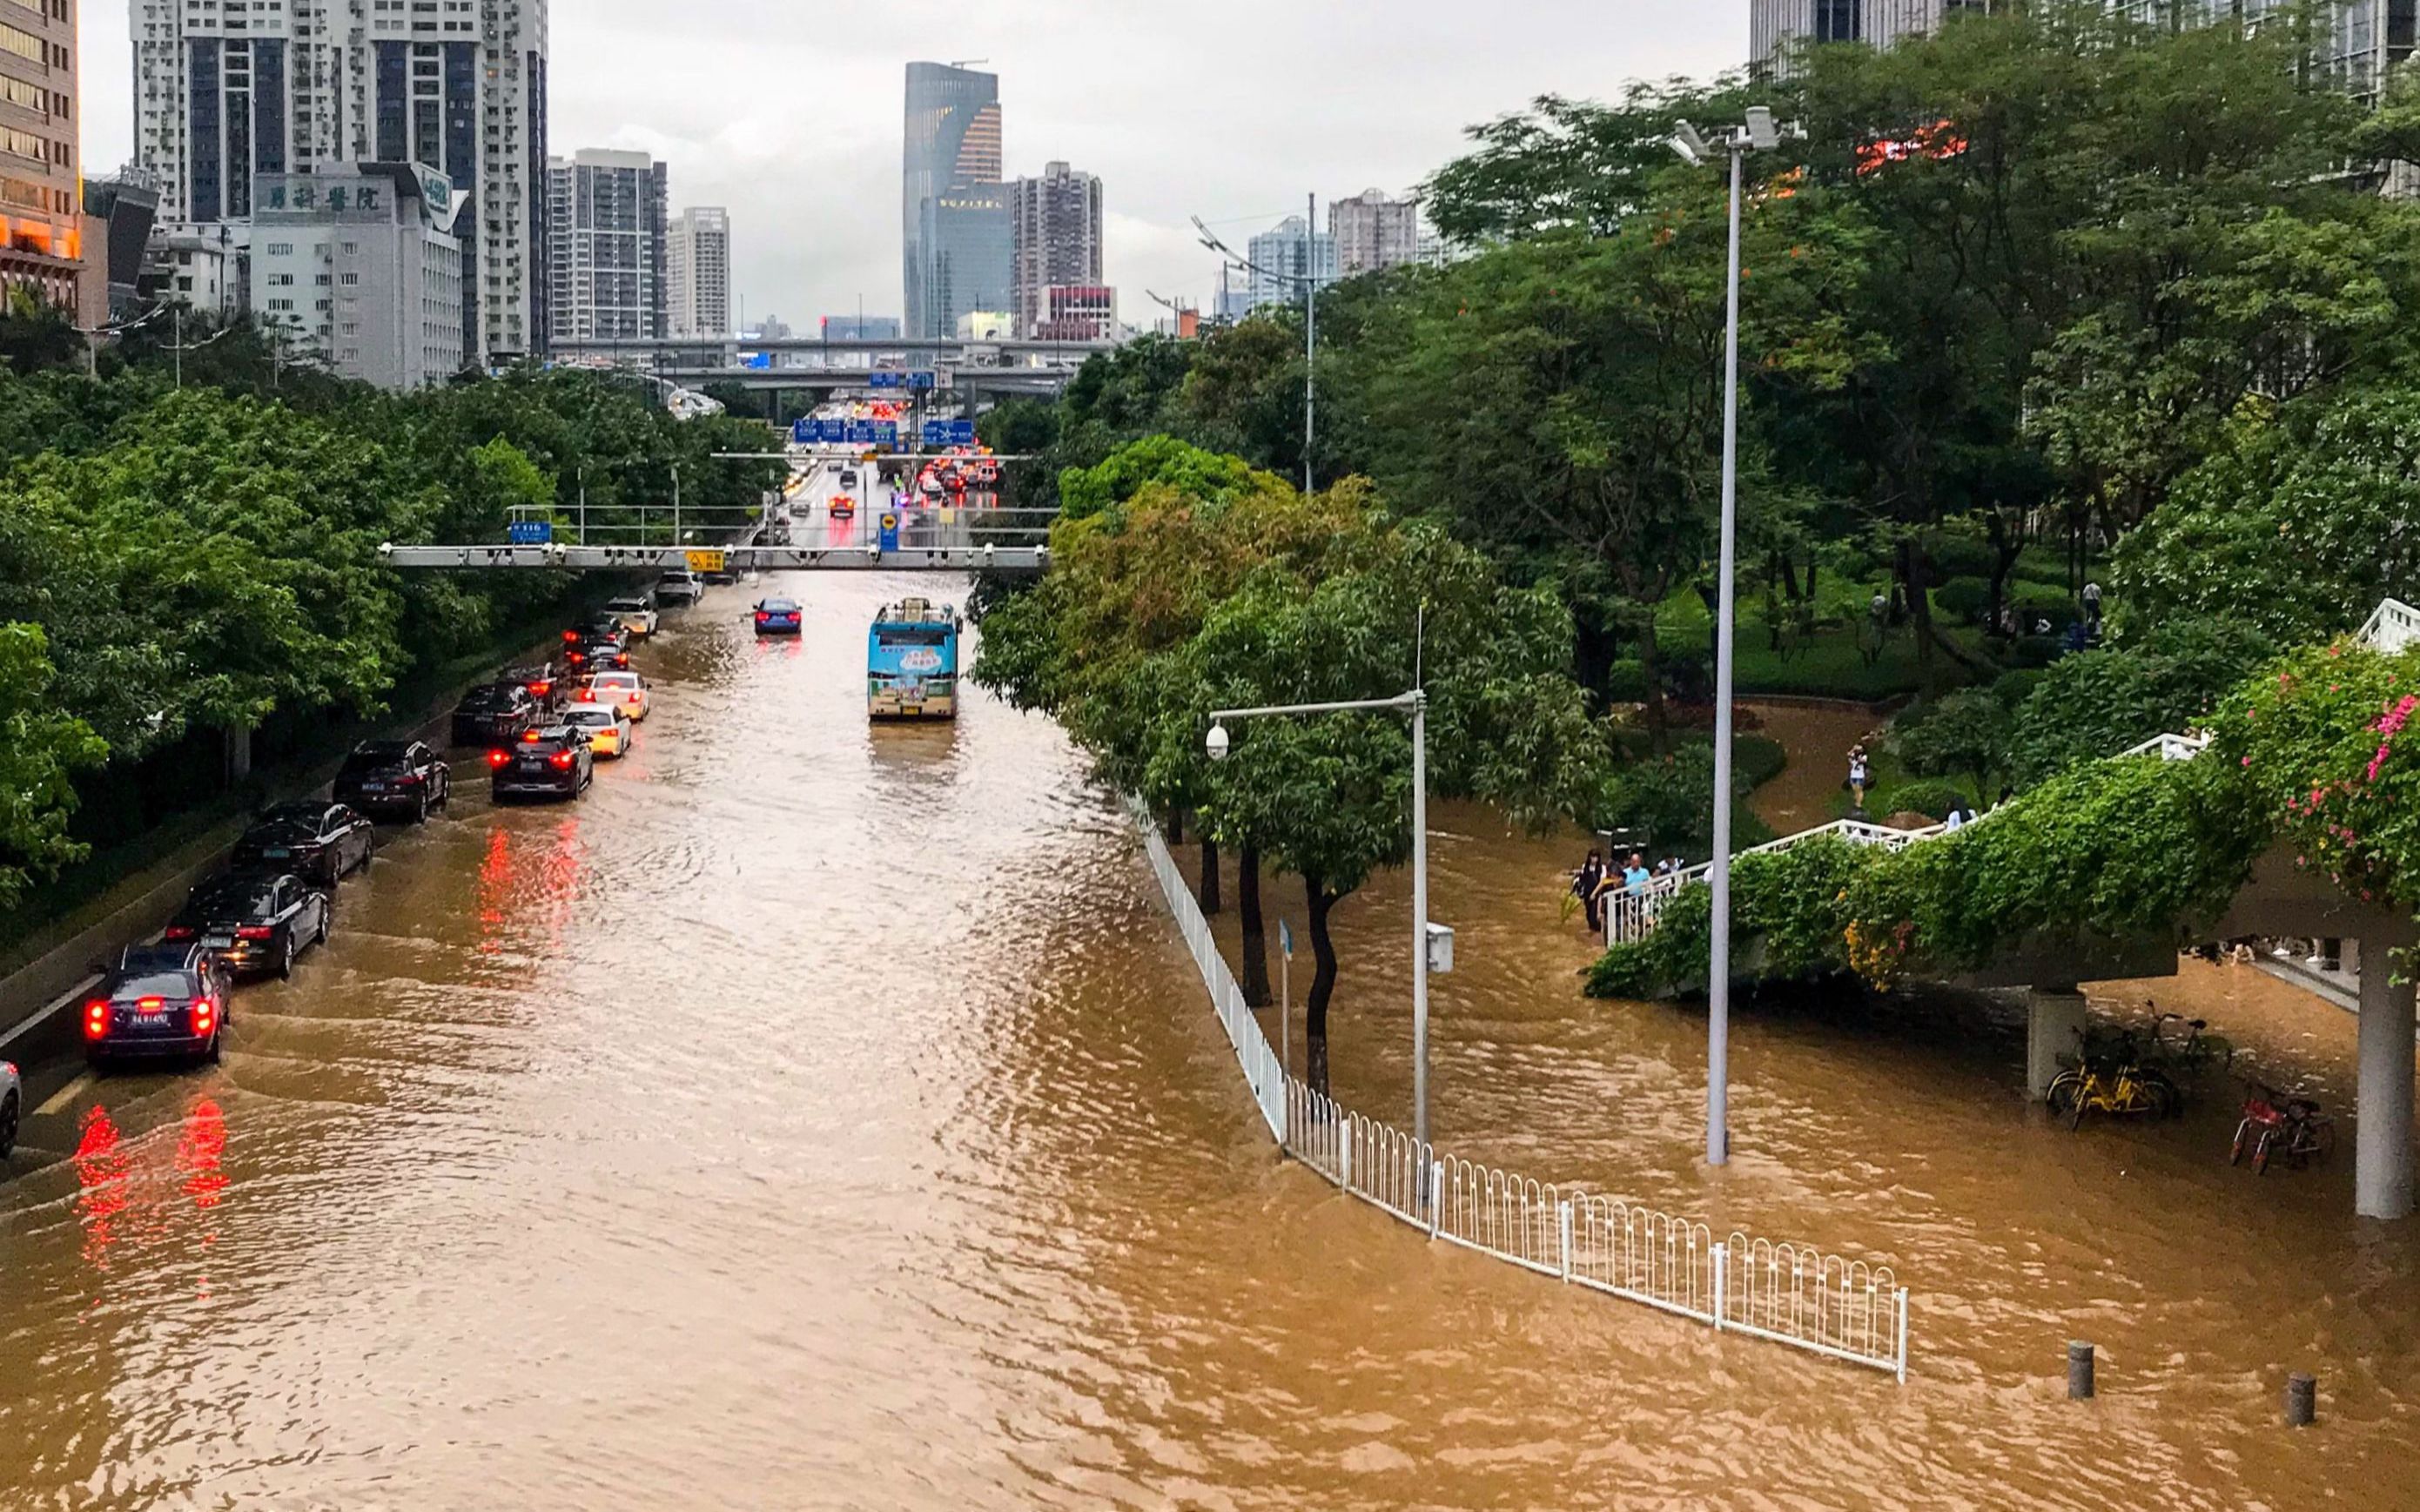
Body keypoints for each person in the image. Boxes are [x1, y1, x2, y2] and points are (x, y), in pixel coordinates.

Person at [1572, 849, 1606, 933]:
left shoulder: (1602, 868)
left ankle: (1596, 931)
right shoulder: (1585, 867)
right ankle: (1591, 929)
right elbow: (1582, 880)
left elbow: (1602, 882)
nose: (1594, 859)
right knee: (1588, 912)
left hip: (1597, 893)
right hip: (1587, 892)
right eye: (1592, 857)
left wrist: (1594, 893)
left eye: (1596, 857)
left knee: (1594, 914)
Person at [1848, 744, 1871, 811]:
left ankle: (1859, 804)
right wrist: (1853, 749)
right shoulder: (1853, 754)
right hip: (1853, 775)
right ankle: (1856, 802)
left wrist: (1857, 758)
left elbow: (1862, 761)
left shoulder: (1864, 756)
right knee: (1855, 789)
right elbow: (1848, 755)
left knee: (1859, 789)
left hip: (1860, 776)